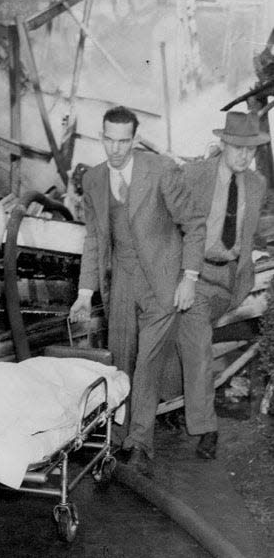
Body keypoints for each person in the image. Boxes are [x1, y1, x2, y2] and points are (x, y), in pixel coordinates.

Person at [69, 106, 206, 477]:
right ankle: (115, 437)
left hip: (164, 281)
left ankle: (139, 442)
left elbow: (194, 223)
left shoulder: (160, 170)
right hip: (122, 281)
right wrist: (85, 292)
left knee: (146, 362)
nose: (115, 149)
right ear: (101, 136)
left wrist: (189, 277)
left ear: (134, 138)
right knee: (120, 359)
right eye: (108, 139)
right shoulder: (94, 180)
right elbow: (95, 238)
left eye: (123, 140)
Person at [172, 111, 270, 460]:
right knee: (197, 345)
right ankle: (205, 427)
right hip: (196, 277)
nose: (245, 156)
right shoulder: (196, 174)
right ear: (224, 144)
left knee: (191, 342)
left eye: (252, 150)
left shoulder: (256, 184)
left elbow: (258, 230)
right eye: (239, 148)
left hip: (232, 280)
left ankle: (174, 404)